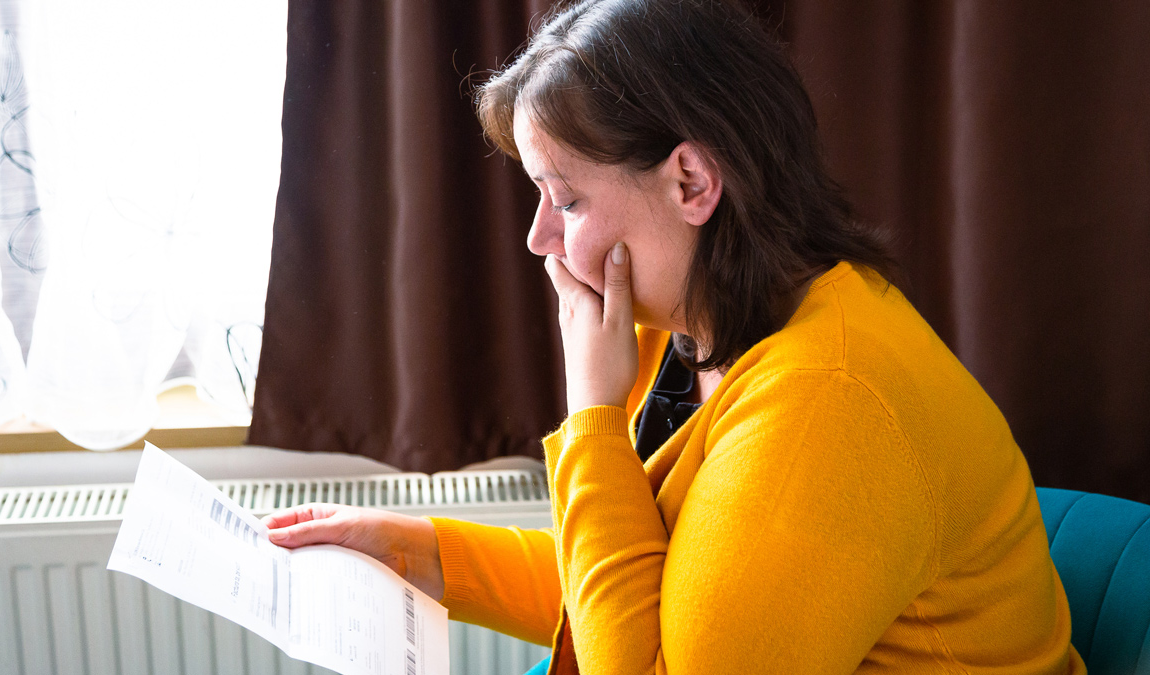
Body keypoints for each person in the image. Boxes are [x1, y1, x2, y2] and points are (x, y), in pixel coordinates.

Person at [263, 1, 1086, 673]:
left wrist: (593, 415)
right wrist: (408, 549)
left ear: (691, 181)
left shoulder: (824, 400)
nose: (538, 238)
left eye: (568, 199)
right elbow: (642, 589)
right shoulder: (691, 329)